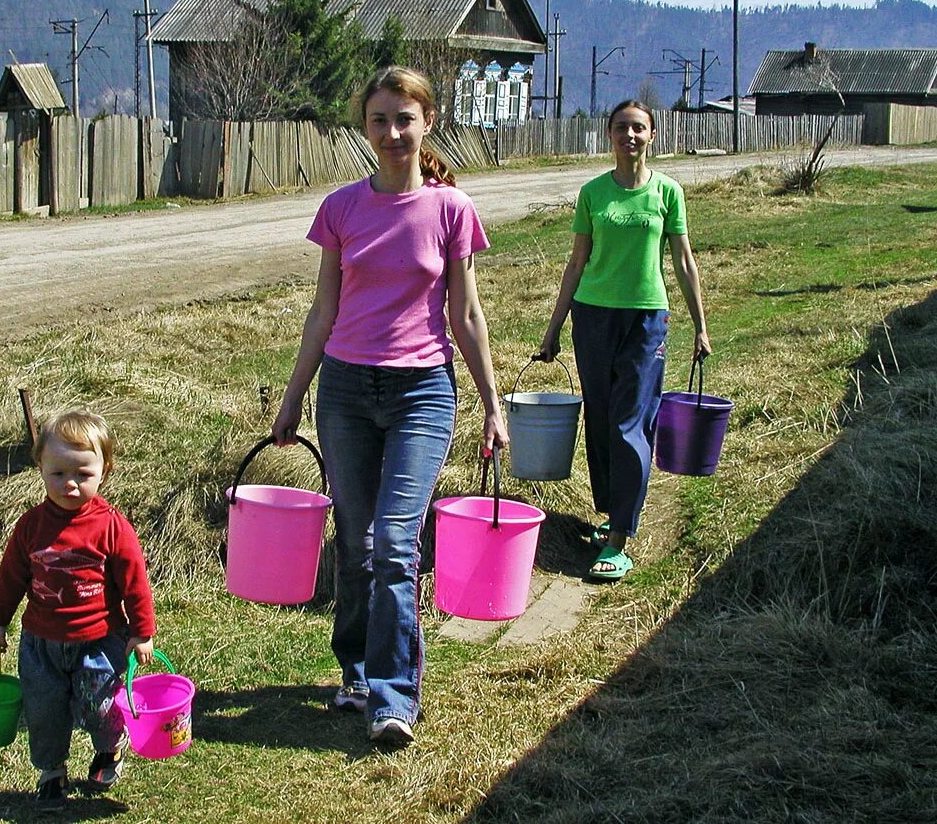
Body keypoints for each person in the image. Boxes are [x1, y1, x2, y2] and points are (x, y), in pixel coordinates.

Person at [271, 65, 508, 747]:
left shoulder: (452, 210)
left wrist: (492, 404)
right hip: (344, 390)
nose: (393, 131)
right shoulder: (341, 209)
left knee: (395, 544)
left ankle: (393, 695)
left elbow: (465, 313)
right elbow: (323, 312)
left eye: (405, 118)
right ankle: (354, 669)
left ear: (427, 122)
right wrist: (291, 401)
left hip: (422, 392)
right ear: (364, 128)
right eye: (380, 120)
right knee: (354, 541)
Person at [537, 99, 711, 581]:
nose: (629, 136)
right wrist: (553, 329)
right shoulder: (592, 193)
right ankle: (611, 513)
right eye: (621, 128)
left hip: (646, 319)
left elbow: (683, 262)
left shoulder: (667, 192)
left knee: (630, 421)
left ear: (652, 135)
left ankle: (620, 539)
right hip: (591, 317)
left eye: (638, 128)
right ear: (609, 135)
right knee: (599, 417)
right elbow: (576, 263)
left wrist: (700, 325)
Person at [0, 409, 156, 810]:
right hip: (41, 641)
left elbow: (134, 582)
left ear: (104, 470)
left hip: (99, 641)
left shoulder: (112, 526)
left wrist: (141, 631)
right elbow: (11, 576)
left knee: (99, 706)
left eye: (83, 473)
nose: (70, 484)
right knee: (44, 709)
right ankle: (51, 772)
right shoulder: (30, 526)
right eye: (58, 474)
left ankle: (109, 748)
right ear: (40, 467)